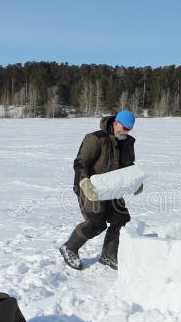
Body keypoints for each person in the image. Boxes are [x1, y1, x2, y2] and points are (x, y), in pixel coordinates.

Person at [59, 110, 139, 270]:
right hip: (89, 186)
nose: (126, 132)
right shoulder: (96, 138)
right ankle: (70, 247)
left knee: (121, 218)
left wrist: (136, 181)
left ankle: (108, 255)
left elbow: (129, 166)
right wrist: (84, 182)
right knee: (97, 222)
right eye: (124, 128)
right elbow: (81, 162)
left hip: (113, 187)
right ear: (116, 122)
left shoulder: (128, 142)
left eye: (129, 129)